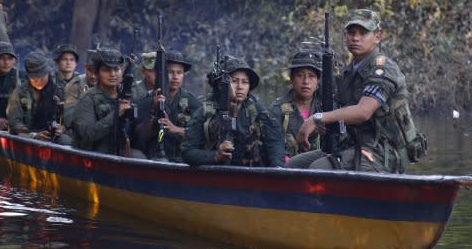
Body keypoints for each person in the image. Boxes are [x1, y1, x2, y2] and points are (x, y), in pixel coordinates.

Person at [293, 9, 426, 173]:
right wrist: (327, 124)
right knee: (294, 166)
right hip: (354, 145)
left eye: (363, 33)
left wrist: (317, 118)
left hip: (384, 153)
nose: (356, 38)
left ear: (377, 37)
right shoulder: (349, 73)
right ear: (345, 36)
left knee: (317, 169)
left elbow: (363, 112)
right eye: (351, 32)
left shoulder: (382, 69)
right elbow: (342, 113)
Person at [181, 55, 285, 167]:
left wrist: (277, 168)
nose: (240, 87)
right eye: (234, 81)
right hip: (215, 176)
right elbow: (187, 151)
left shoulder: (257, 110)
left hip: (252, 175)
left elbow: (275, 142)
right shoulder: (206, 112)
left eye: (245, 82)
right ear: (221, 85)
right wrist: (215, 156)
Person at [73, 48, 145, 158]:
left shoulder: (129, 96)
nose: (112, 74)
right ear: (97, 73)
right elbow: (86, 136)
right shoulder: (87, 99)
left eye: (116, 69)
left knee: (139, 157)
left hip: (121, 151)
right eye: (106, 70)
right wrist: (115, 114)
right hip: (93, 156)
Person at [135, 50, 202, 162]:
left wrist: (175, 129)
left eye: (179, 73)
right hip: (152, 160)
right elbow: (138, 139)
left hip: (183, 161)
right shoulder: (147, 100)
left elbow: (201, 137)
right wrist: (152, 110)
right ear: (161, 74)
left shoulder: (192, 103)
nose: (175, 77)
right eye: (170, 72)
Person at [269, 50, 325, 162]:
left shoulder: (326, 108)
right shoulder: (277, 109)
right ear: (292, 79)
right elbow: (272, 147)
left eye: (311, 76)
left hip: (320, 169)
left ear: (318, 80)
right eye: (300, 75)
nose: (305, 81)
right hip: (288, 170)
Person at [7, 50, 63, 141]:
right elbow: (14, 123)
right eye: (35, 78)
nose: (39, 81)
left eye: (42, 77)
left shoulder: (59, 89)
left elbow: (69, 117)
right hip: (28, 136)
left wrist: (62, 128)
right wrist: (33, 134)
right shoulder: (20, 93)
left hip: (53, 135)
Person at [56, 51, 98, 146]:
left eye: (96, 72)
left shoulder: (109, 85)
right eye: (90, 70)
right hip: (78, 132)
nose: (93, 76)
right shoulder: (76, 85)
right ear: (85, 68)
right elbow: (69, 119)